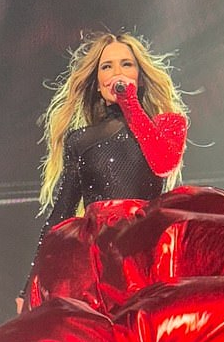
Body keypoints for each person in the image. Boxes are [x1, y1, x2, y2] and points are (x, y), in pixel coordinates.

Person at [17, 30, 189, 310]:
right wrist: (28, 284)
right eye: (107, 66)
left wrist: (130, 103)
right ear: (98, 84)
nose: (117, 72)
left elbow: (163, 162)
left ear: (140, 77)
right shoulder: (80, 140)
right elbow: (61, 212)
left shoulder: (169, 124)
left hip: (146, 249)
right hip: (97, 258)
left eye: (126, 64)